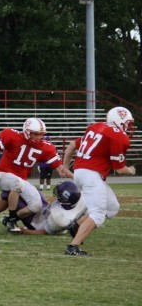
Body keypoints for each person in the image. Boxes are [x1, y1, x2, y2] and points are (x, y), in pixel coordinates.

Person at [0, 118, 73, 233]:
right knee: (16, 183)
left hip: (21, 181)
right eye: (35, 134)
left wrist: (70, 174)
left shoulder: (46, 147)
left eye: (41, 135)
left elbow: (59, 166)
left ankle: (3, 217)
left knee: (36, 205)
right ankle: (12, 219)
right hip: (3, 175)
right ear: (27, 131)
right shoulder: (12, 135)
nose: (38, 138)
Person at [62, 106, 136, 256]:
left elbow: (71, 146)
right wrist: (131, 170)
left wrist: (65, 167)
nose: (130, 127)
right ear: (119, 122)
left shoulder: (96, 127)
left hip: (81, 172)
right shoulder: (118, 135)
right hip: (91, 174)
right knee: (98, 214)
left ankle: (77, 226)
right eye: (127, 123)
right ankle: (73, 247)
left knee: (112, 207)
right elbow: (120, 170)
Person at [0, 181, 87, 235]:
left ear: (65, 200)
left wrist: (24, 231)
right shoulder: (77, 201)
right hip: (44, 211)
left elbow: (43, 232)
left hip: (36, 221)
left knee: (13, 190)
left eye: (59, 194)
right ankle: (1, 216)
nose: (57, 196)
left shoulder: (58, 219)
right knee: (24, 189)